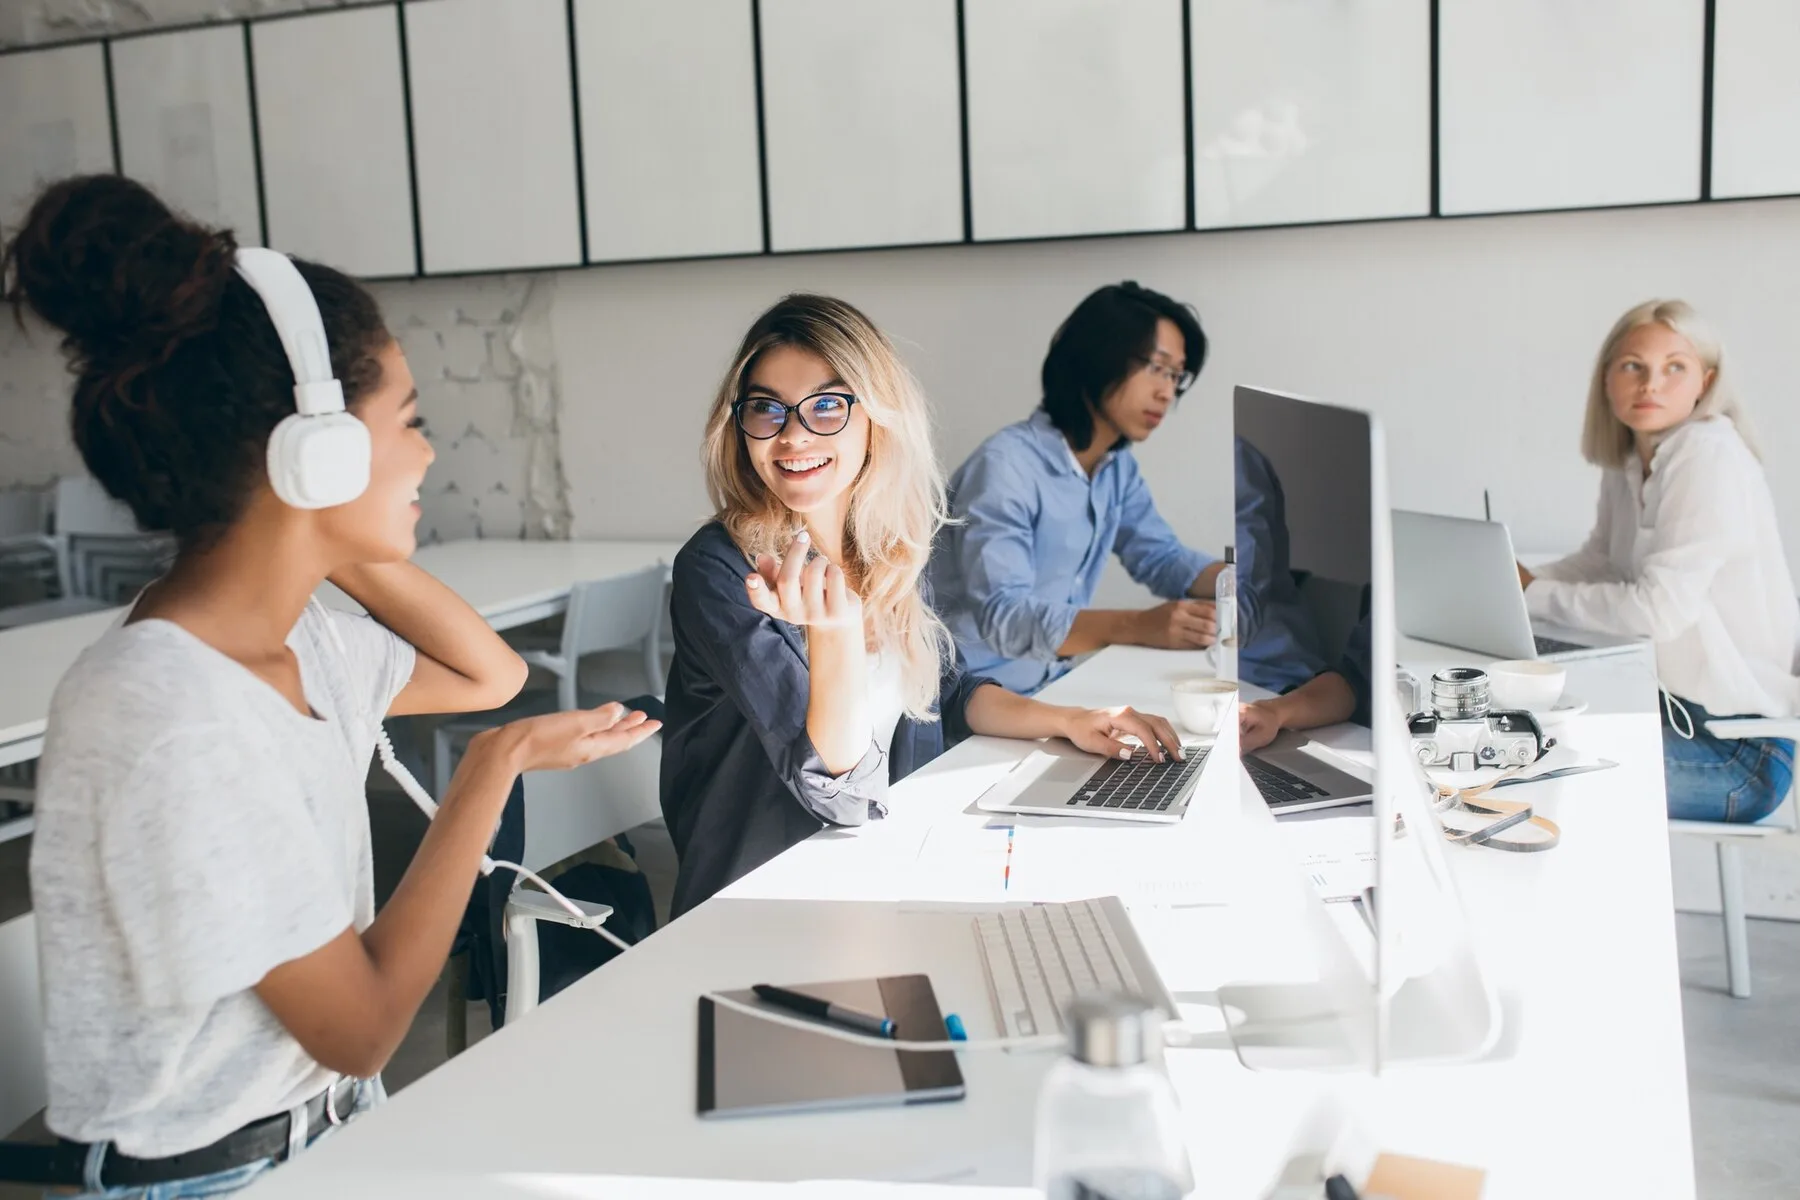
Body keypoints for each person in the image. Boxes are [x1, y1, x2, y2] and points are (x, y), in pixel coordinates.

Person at [5, 176, 660, 1196]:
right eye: (407, 420)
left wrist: (323, 527)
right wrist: (492, 771)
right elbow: (361, 1029)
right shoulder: (168, 709)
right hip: (203, 1180)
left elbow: (487, 674)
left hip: (323, 1139)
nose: (429, 453)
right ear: (320, 448)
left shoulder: (304, 641)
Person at [660, 294, 1185, 914]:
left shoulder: (887, 544)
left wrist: (1069, 719)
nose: (792, 435)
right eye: (766, 409)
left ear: (876, 418)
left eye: (827, 405)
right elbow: (840, 792)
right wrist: (836, 636)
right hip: (766, 900)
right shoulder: (720, 569)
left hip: (885, 873)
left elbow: (950, 689)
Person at [1518, 299, 1799, 823]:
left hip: (1737, 750)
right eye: (1633, 367)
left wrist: (1535, 592)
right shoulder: (1632, 459)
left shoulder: (1707, 454)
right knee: (1496, 739)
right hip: (1670, 712)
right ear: (1607, 379)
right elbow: (1603, 561)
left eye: (1675, 367)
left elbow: (1657, 612)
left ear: (1705, 382)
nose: (1651, 384)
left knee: (1517, 771)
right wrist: (1515, 580)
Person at [928, 282, 1223, 696]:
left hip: (1048, 686)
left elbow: (1160, 556)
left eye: (1176, 375)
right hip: (967, 701)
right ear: (1100, 358)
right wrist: (1137, 626)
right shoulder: (1006, 468)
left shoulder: (1115, 468)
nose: (1166, 391)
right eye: (1156, 368)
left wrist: (1242, 583)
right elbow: (1005, 617)